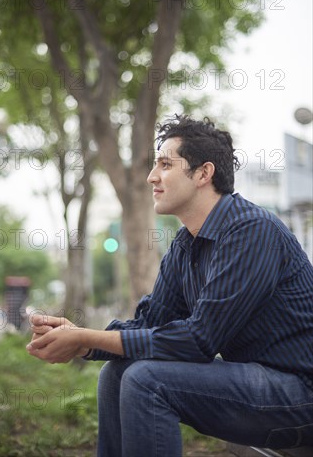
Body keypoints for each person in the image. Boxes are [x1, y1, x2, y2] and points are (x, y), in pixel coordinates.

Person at [26, 115, 313, 456]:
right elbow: (150, 325)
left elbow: (199, 340)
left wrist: (86, 338)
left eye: (165, 164)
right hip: (256, 383)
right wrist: (81, 341)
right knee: (116, 374)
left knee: (147, 381)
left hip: (299, 393)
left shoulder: (251, 231)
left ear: (203, 174)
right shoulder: (185, 245)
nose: (152, 177)